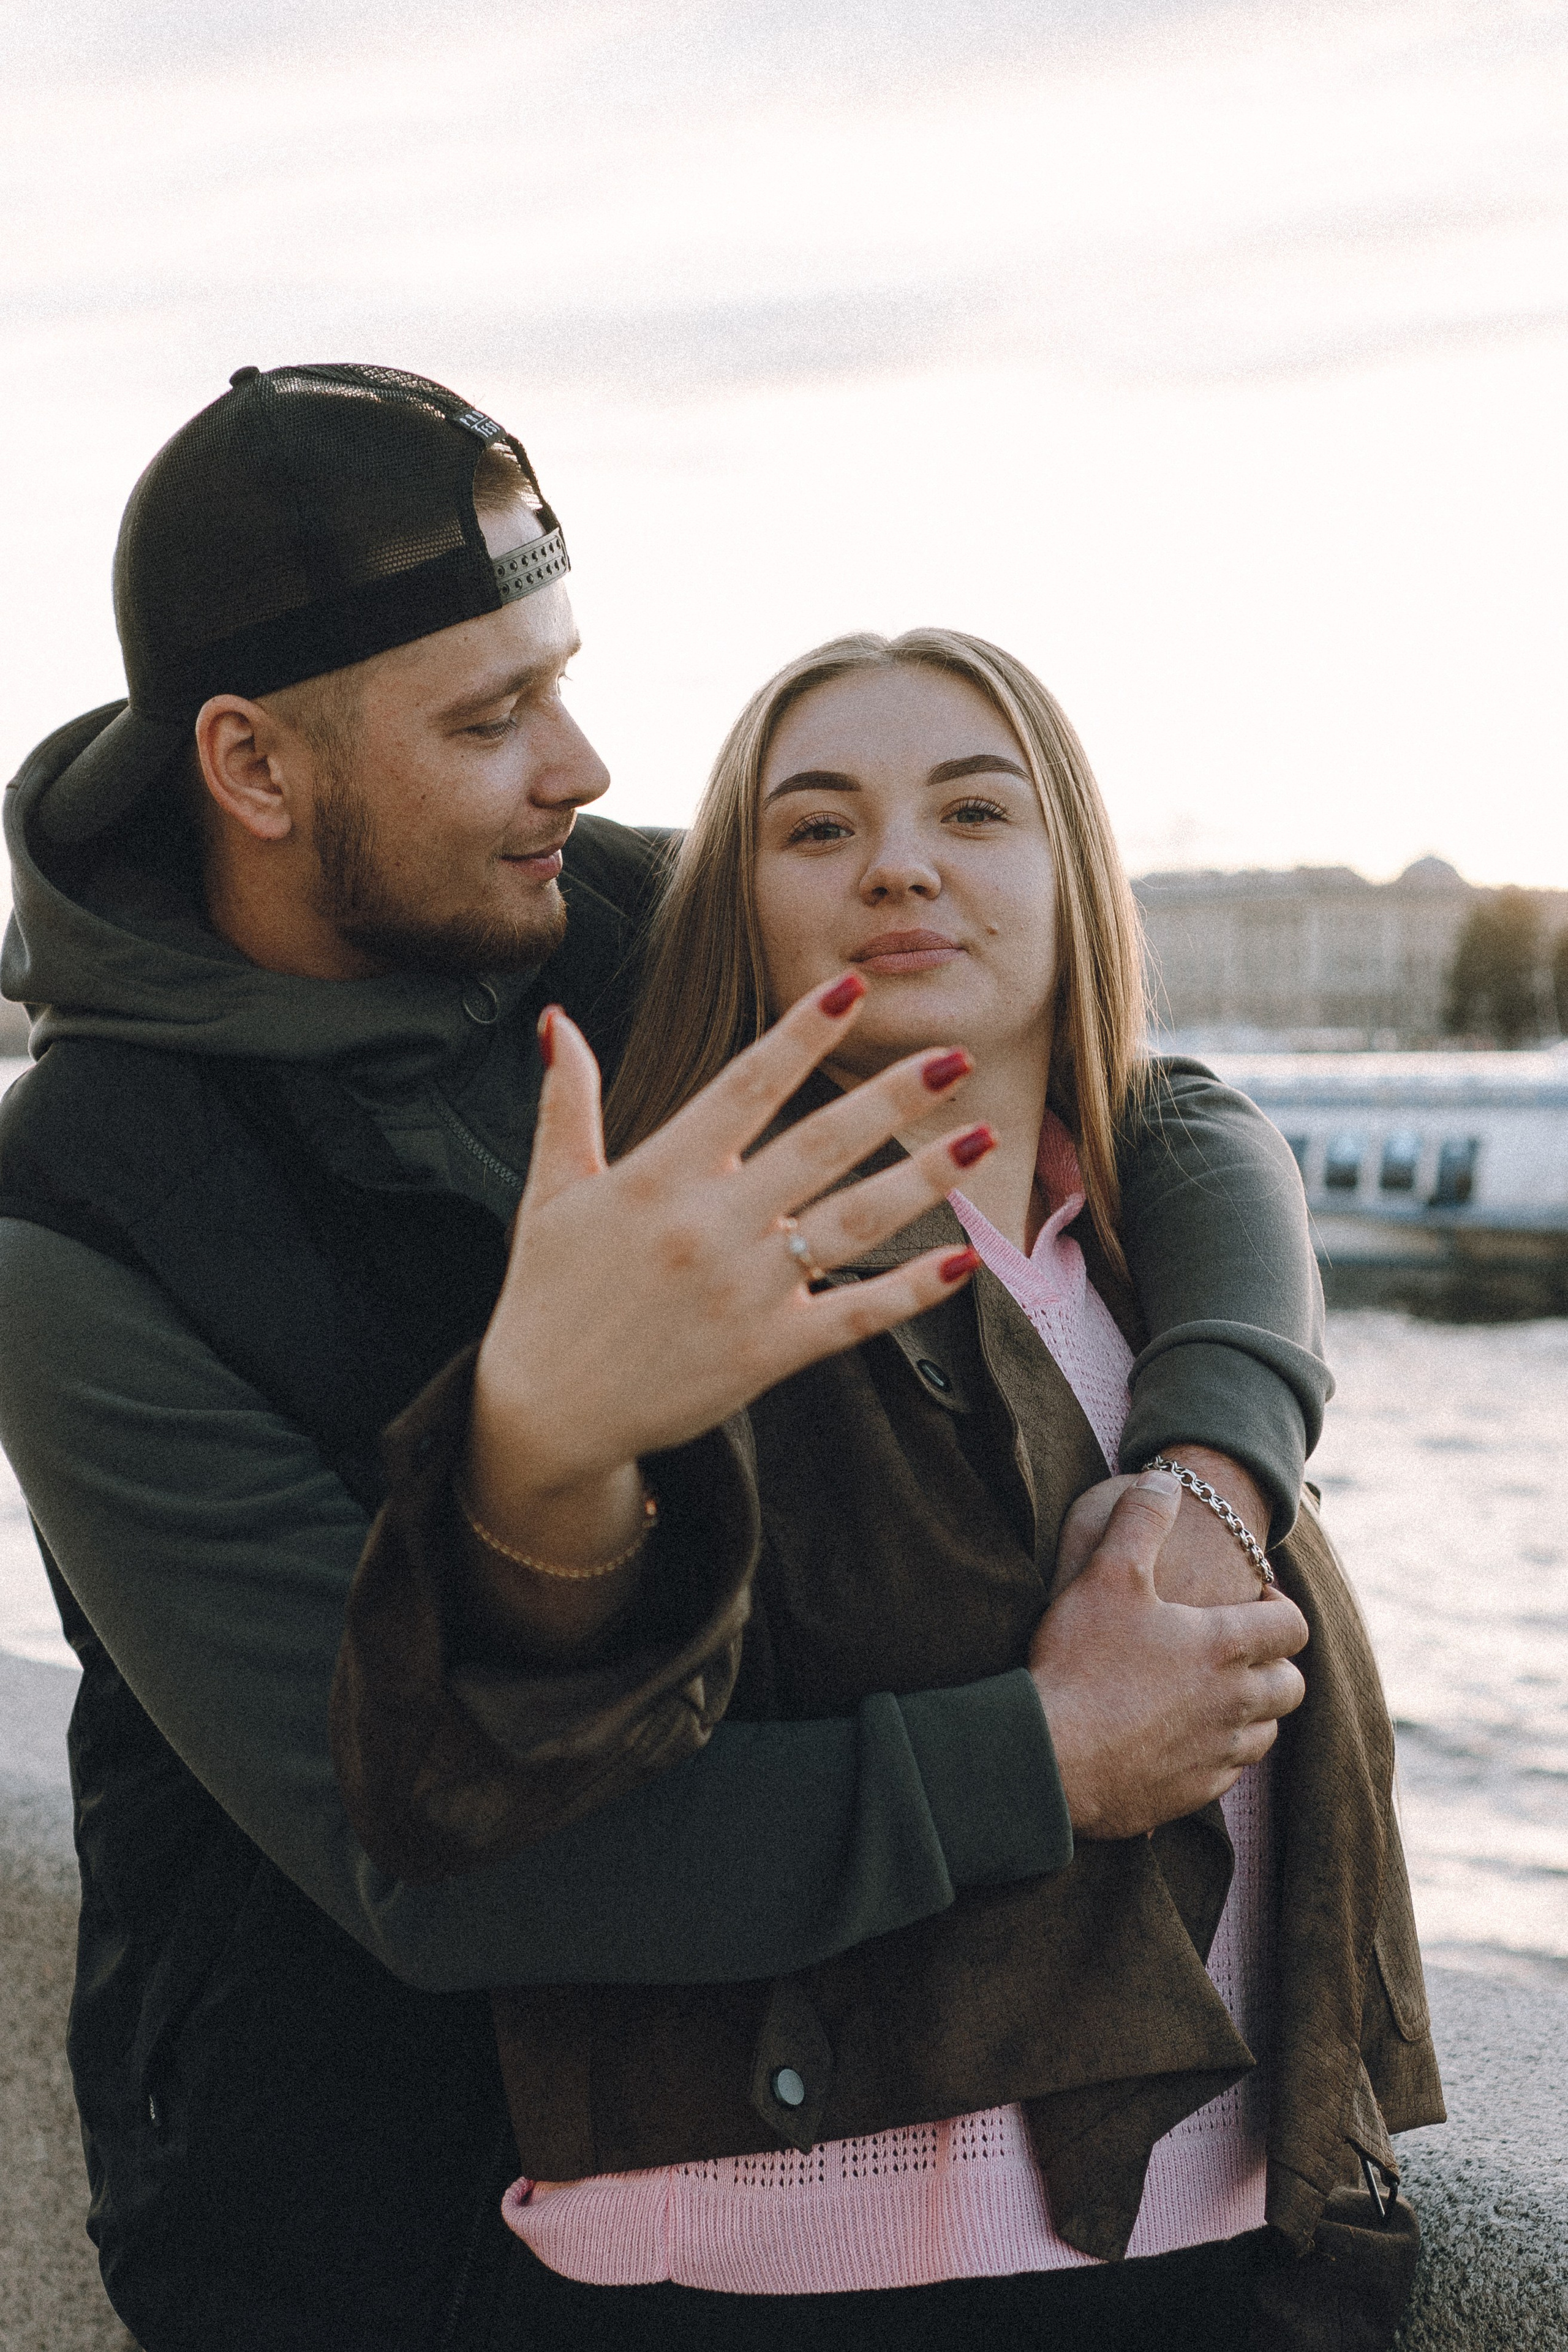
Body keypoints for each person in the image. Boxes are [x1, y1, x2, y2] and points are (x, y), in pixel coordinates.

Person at [0, 364, 1330, 2352]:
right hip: (363, 2224)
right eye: (489, 720)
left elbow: (1170, 1115)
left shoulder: (613, 917)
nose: (582, 763)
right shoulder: (77, 1223)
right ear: (255, 769)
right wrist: (1049, 1756)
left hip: (781, 2134)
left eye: (560, 681)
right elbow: (429, 1865)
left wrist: (1206, 1471)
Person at [332, 628, 1443, 2351]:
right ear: (739, 909)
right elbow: (530, 1748)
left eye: (976, 812)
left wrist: (1210, 1489)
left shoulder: (1132, 1270)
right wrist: (547, 1452)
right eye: (819, 827)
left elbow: (1199, 1126)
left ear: (1076, 882)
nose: (902, 864)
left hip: (1210, 2250)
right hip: (778, 2276)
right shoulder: (678, 1273)